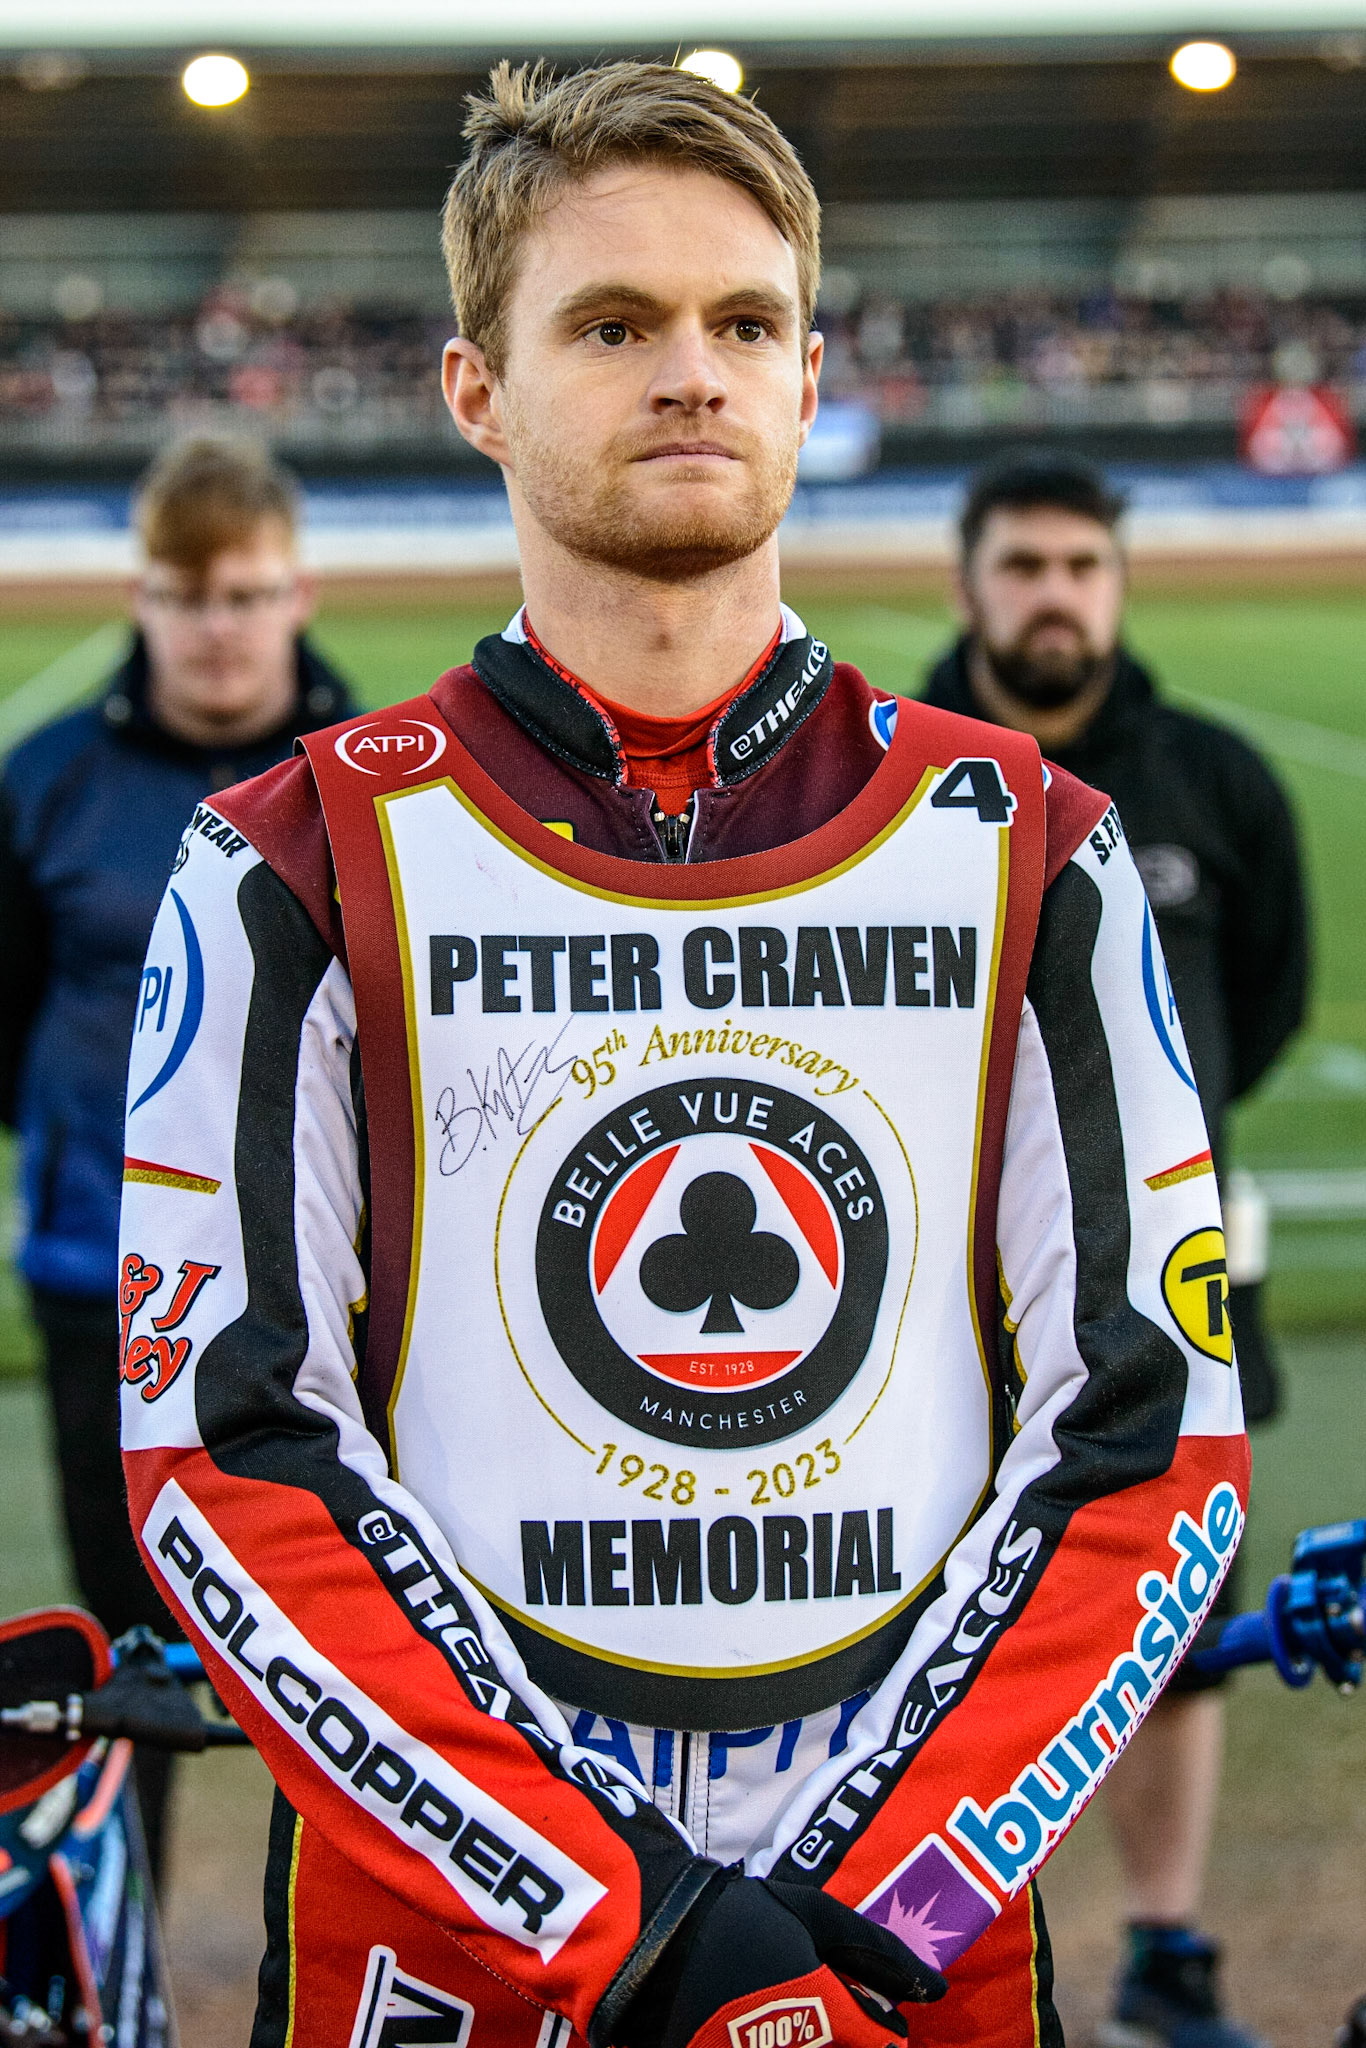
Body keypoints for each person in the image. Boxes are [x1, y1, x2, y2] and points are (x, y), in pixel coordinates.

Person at [120, 65, 1247, 2048]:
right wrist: (620, 1911)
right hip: (456, 1938)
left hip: (911, 1928)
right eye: (612, 324)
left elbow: (1151, 1442)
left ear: (811, 378)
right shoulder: (285, 859)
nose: (691, 376)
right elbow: (225, 1451)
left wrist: (864, 1906)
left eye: (740, 324)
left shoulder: (1033, 852)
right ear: (474, 388)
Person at [922, 451, 1308, 2048]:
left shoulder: (1212, 777)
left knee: (1176, 1627)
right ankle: (914, 1943)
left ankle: (1161, 1949)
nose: (1054, 595)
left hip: (1171, 1279)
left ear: (1116, 582)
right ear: (967, 583)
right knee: (920, 1623)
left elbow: (1264, 999)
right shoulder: (883, 768)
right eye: (1022, 566)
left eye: (1081, 565)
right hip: (938, 1290)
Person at [0, 436, 354, 1883]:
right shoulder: (47, 782)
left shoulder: (380, 779)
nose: (218, 627)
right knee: (128, 1648)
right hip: (110, 1288)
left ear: (298, 593)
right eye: (187, 595)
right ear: (140, 597)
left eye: (247, 594)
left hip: (338, 1295)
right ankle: (125, 1943)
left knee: (338, 1650)